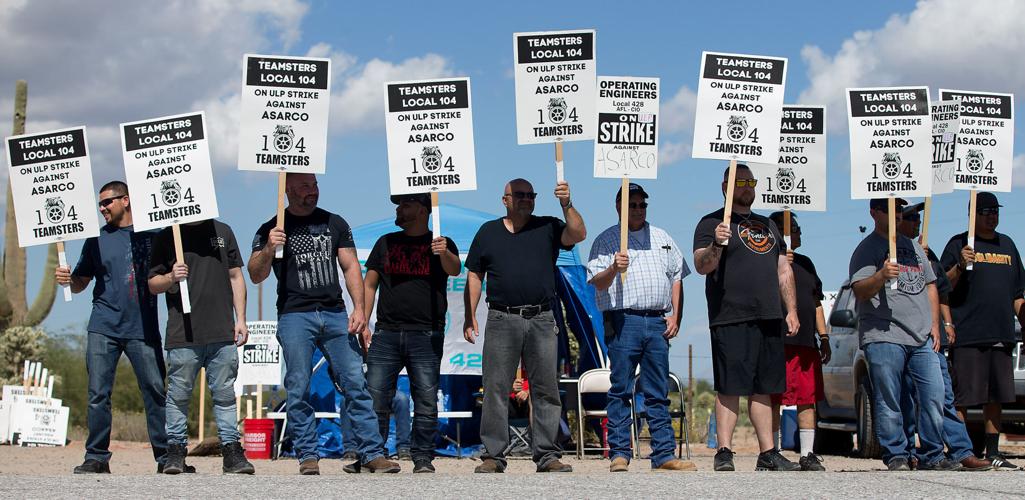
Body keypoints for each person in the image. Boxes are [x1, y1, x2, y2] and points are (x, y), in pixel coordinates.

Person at [249, 173, 397, 475]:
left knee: (355, 382)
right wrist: (268, 249)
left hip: (334, 314)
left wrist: (360, 309)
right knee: (298, 385)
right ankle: (307, 455)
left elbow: (350, 265)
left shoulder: (335, 222)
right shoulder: (270, 228)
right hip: (294, 315)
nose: (312, 191)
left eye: (314, 185)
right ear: (288, 190)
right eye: (304, 186)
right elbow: (255, 274)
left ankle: (372, 453)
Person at [464, 178, 586, 473]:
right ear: (504, 200)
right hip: (501, 318)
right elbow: (475, 275)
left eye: (530, 195)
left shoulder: (548, 226)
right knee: (495, 386)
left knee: (545, 388)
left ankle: (546, 454)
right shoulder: (488, 232)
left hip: (542, 318)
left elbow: (579, 233)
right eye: (519, 195)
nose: (525, 199)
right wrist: (470, 315)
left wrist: (566, 203)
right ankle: (493, 455)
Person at [55, 181, 170, 474]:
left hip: (143, 327)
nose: (102, 208)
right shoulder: (96, 239)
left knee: (155, 391)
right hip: (103, 326)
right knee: (98, 393)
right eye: (100, 204)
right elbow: (81, 283)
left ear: (126, 200)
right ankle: (96, 457)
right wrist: (68, 278)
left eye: (107, 202)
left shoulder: (155, 235)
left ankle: (166, 456)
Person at [692, 164, 800, 472]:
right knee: (730, 385)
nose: (747, 187)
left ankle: (768, 452)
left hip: (768, 314)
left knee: (763, 387)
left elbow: (783, 270)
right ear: (725, 186)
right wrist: (716, 243)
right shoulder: (711, 222)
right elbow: (702, 265)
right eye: (740, 182)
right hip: (730, 315)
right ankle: (724, 450)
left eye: (750, 181)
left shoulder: (768, 225)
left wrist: (790, 309)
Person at [586, 182, 696, 472]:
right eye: (631, 204)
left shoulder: (662, 237)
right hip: (624, 320)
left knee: (657, 391)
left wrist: (676, 316)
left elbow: (677, 276)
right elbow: (596, 282)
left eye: (642, 204)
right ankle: (620, 453)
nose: (637, 209)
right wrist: (613, 268)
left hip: (657, 320)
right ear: (619, 207)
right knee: (621, 388)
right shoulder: (606, 240)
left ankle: (663, 454)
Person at [848, 197, 954, 471]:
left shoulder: (914, 247)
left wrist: (934, 324)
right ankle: (897, 453)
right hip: (884, 336)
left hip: (920, 338)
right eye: (890, 209)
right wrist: (881, 275)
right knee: (890, 399)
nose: (897, 215)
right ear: (874, 213)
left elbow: (931, 285)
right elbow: (860, 291)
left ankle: (932, 454)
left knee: (934, 395)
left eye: (899, 210)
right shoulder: (866, 249)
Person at [147, 218, 255, 474]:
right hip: (182, 334)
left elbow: (236, 275)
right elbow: (153, 284)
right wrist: (171, 276)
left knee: (225, 395)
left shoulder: (223, 230)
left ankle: (231, 452)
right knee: (178, 396)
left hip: (222, 331)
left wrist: (241, 318)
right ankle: (175, 453)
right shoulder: (166, 236)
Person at [362, 193, 460, 474]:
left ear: (422, 209)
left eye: (405, 204)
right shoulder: (386, 242)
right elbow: (370, 284)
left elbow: (454, 270)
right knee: (376, 397)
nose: (399, 209)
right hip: (386, 333)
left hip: (426, 334)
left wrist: (444, 252)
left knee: (426, 399)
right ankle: (373, 454)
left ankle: (422, 457)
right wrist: (364, 323)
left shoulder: (442, 242)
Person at [896, 203, 991, 471]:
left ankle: (961, 450)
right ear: (898, 220)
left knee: (942, 395)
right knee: (906, 397)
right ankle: (908, 452)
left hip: (930, 335)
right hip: (900, 334)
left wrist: (946, 322)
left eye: (919, 218)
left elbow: (941, 289)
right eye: (911, 217)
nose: (917, 222)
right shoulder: (887, 252)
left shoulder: (925, 253)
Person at [940, 192, 1025, 470]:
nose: (992, 215)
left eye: (995, 210)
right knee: (964, 397)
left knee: (996, 396)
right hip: (968, 334)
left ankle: (993, 452)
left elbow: (1017, 294)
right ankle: (961, 451)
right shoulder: (958, 244)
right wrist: (960, 266)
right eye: (986, 210)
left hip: (1001, 332)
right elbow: (942, 288)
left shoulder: (1008, 245)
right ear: (972, 214)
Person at [767, 211, 830, 471]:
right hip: (776, 341)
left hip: (805, 342)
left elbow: (816, 304)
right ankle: (771, 451)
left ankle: (807, 453)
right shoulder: (765, 262)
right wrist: (778, 262)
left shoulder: (807, 263)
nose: (799, 231)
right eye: (793, 227)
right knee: (773, 398)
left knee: (807, 397)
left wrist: (823, 336)